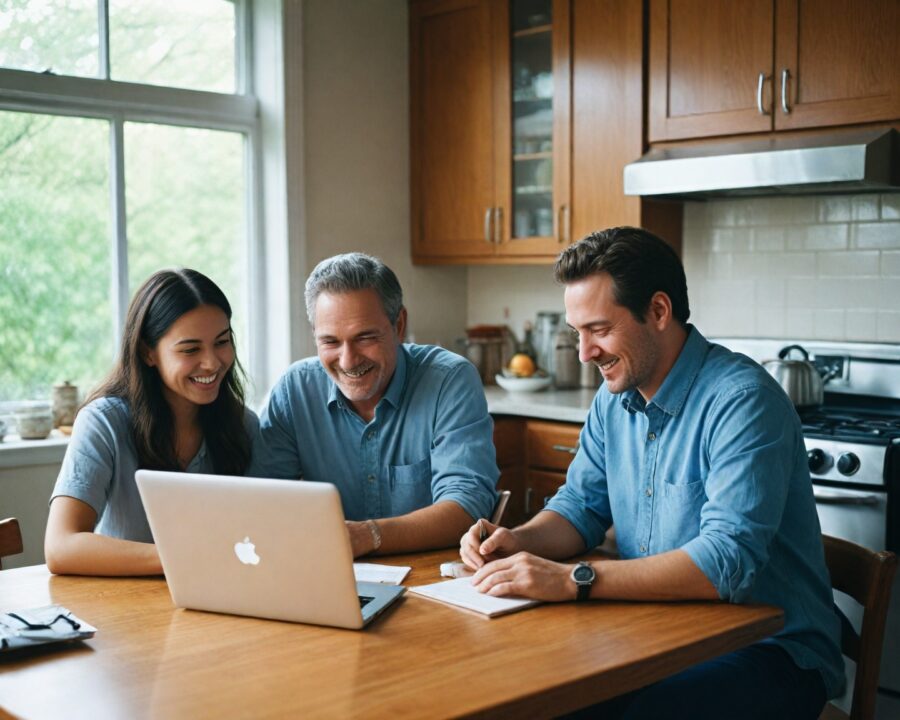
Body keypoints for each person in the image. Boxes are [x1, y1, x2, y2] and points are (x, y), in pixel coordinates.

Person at [459, 227, 843, 720]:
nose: (584, 353)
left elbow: (725, 562)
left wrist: (573, 579)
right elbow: (579, 509)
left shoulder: (742, 402)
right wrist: (518, 540)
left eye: (599, 329)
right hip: (655, 634)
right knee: (530, 697)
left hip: (773, 651)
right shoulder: (612, 400)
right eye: (578, 333)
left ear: (659, 312)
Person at [249, 252, 498, 558]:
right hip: (327, 578)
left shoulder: (449, 380)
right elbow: (260, 502)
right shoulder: (295, 390)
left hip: (432, 581)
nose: (348, 360)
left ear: (399, 325)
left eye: (365, 337)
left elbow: (466, 507)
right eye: (330, 342)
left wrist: (367, 536)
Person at [45, 269, 257, 576]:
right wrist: (183, 558)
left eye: (222, 342)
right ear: (148, 352)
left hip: (216, 604)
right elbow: (60, 546)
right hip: (124, 610)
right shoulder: (103, 422)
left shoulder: (243, 426)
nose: (212, 362)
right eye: (190, 349)